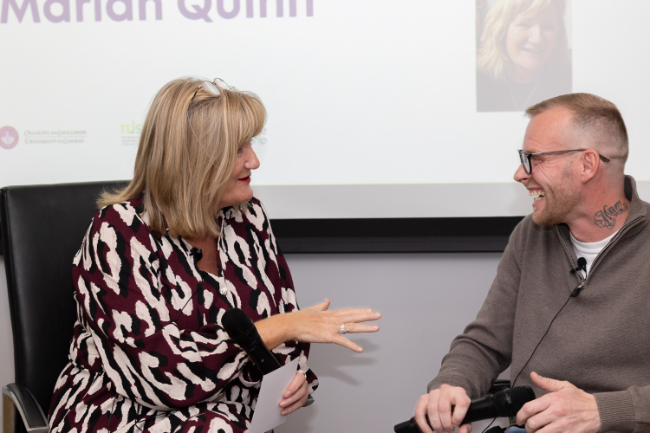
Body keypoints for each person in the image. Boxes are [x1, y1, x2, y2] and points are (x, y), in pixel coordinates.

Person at [48, 77, 382, 433]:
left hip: (227, 415)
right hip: (122, 413)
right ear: (192, 159)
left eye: (251, 144)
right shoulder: (118, 233)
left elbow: (285, 328)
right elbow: (160, 377)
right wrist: (280, 327)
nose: (254, 160)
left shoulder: (248, 217)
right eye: (238, 149)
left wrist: (293, 378)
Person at [413, 92, 650, 433]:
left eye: (533, 159)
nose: (519, 174)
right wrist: (450, 386)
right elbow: (485, 342)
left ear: (587, 164)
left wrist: (603, 411)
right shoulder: (531, 235)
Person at [476, 0, 572, 112]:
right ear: (502, 31)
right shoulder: (476, 83)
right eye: (524, 25)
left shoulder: (571, 82)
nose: (537, 39)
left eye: (548, 27)